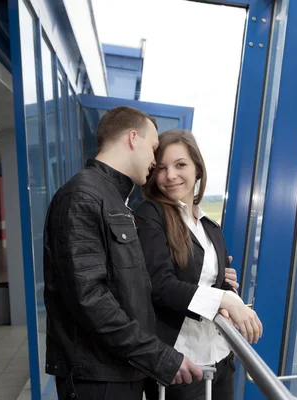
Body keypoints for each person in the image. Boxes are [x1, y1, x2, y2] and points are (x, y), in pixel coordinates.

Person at [43, 107, 203, 400]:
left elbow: (126, 288)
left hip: (118, 369)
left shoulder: (113, 199)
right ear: (133, 138)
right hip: (97, 376)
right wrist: (158, 356)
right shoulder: (82, 197)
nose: (155, 162)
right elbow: (90, 300)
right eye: (154, 149)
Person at [134, 130, 263, 400]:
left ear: (197, 169)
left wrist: (228, 293)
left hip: (220, 356)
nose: (170, 175)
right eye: (162, 168)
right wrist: (225, 300)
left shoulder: (209, 225)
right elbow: (159, 284)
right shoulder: (150, 214)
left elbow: (221, 282)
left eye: (180, 165)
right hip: (182, 362)